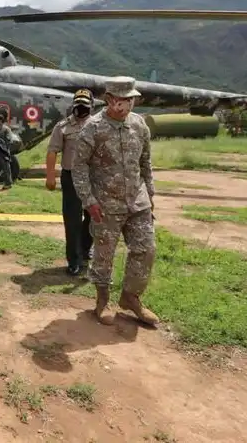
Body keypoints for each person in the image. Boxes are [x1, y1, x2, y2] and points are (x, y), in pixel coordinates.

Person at [71, 77, 159, 328]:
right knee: (104, 255)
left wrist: (150, 195)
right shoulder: (93, 128)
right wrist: (88, 200)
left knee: (146, 249)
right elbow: (79, 167)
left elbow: (146, 163)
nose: (126, 105)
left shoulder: (140, 125)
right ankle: (102, 300)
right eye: (121, 100)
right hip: (105, 204)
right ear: (109, 100)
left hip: (138, 202)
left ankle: (131, 298)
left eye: (130, 100)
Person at [45, 89, 95, 276]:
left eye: (85, 104)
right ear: (73, 104)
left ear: (91, 105)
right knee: (72, 220)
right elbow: (52, 151)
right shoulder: (62, 126)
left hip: (93, 178)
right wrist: (50, 176)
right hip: (71, 177)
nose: (81, 108)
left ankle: (84, 248)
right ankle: (74, 260)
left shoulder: (98, 125)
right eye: (78, 103)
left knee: (93, 217)